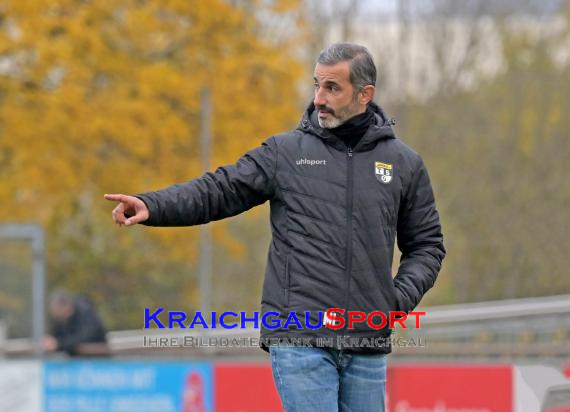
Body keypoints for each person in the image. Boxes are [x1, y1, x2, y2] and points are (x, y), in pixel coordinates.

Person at [105, 43, 445, 411]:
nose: (318, 99)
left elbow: (427, 246)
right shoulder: (285, 152)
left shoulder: (404, 163)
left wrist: (394, 302)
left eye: (332, 88)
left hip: (368, 341)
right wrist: (154, 205)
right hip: (299, 340)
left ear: (365, 95)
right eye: (316, 85)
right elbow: (219, 189)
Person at [43, 290, 108, 356]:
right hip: (77, 360)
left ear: (66, 306)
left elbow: (85, 336)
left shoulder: (85, 313)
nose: (57, 317)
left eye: (58, 312)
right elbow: (57, 337)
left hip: (97, 358)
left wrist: (59, 344)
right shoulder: (61, 319)